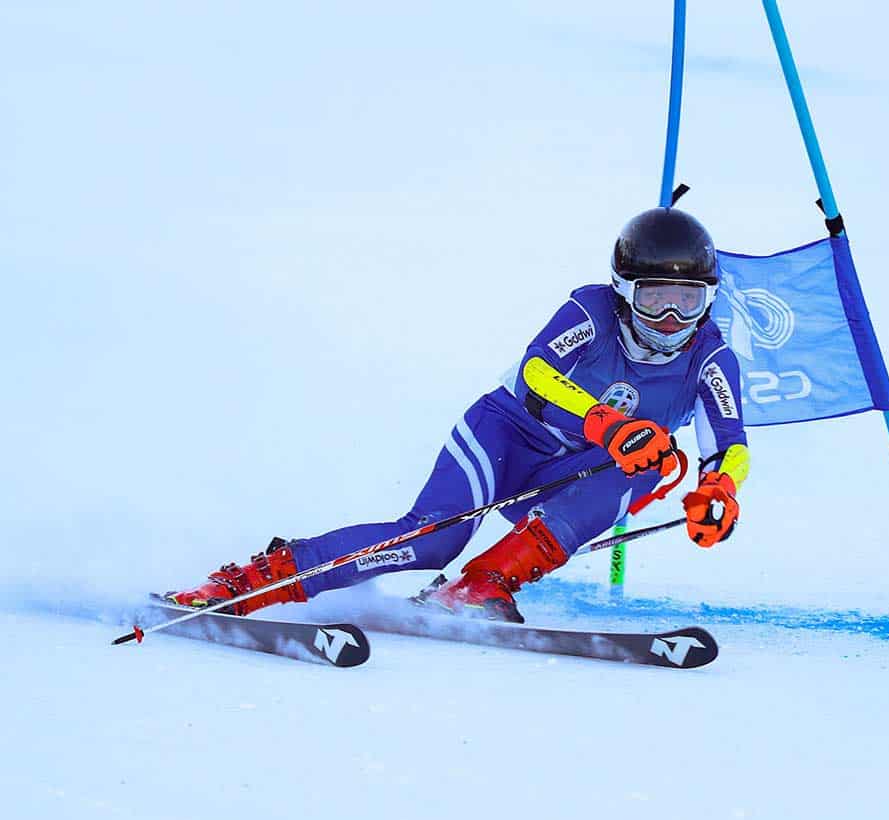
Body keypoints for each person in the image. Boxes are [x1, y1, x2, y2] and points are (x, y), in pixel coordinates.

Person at [167, 207, 750, 623]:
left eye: (688, 301)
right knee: (433, 540)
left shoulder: (711, 356)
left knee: (654, 463)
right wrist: (608, 424)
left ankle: (482, 584)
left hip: (565, 474)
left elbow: (729, 443)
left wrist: (719, 489)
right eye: (654, 298)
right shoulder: (592, 309)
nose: (670, 319)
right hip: (506, 437)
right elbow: (536, 375)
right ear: (624, 289)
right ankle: (253, 582)